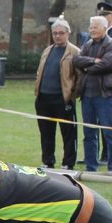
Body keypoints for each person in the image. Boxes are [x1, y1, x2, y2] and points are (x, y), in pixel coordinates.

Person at [74, 16, 112, 172]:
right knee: (89, 133)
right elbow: (77, 61)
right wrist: (94, 61)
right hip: (87, 95)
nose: (92, 30)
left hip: (105, 96)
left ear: (105, 28)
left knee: (109, 132)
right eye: (91, 27)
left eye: (95, 27)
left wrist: (88, 67)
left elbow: (107, 64)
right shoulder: (87, 44)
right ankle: (91, 166)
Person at [34, 19, 81, 169]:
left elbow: (80, 76)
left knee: (68, 134)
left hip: (63, 99)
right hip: (43, 98)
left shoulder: (74, 52)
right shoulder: (47, 50)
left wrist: (71, 96)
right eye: (55, 33)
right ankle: (48, 161)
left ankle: (68, 163)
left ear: (68, 33)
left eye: (61, 33)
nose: (58, 36)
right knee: (46, 133)